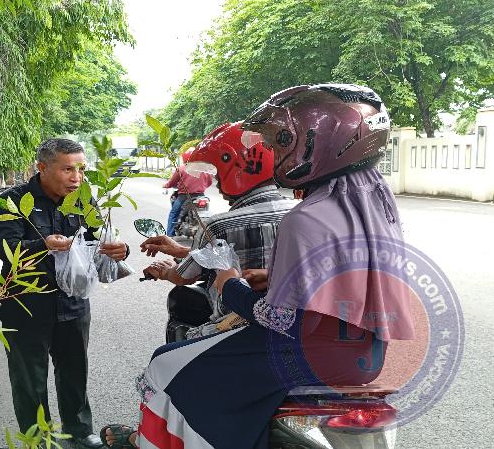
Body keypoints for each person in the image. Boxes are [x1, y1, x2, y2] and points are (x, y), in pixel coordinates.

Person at [101, 84, 415, 448]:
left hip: (307, 354)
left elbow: (283, 322)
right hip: (366, 353)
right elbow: (349, 280)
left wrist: (230, 284)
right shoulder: (374, 204)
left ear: (317, 143)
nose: (274, 152)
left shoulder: (307, 219)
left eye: (282, 142)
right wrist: (276, 277)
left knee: (164, 364)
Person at [0, 138, 129, 449]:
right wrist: (45, 244)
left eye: (80, 169)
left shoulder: (83, 200)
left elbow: (99, 239)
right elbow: (6, 249)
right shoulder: (11, 201)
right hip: (25, 307)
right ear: (42, 167)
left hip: (73, 304)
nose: (76, 177)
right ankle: (37, 440)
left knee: (74, 374)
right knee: (30, 382)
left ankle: (80, 433)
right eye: (67, 169)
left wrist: (119, 249)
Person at [141, 121, 295, 338]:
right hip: (293, 326)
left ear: (235, 167)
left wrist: (165, 270)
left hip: (230, 329)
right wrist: (180, 250)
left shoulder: (219, 226)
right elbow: (222, 258)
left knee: (161, 364)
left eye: (219, 173)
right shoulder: (302, 213)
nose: (217, 183)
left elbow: (184, 277)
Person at [162, 149, 213, 236]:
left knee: (173, 214)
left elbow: (172, 182)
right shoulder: (204, 169)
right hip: (201, 196)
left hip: (184, 197)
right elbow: (209, 183)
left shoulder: (181, 169)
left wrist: (166, 185)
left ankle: (170, 235)